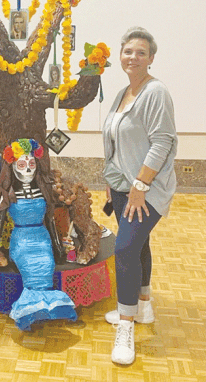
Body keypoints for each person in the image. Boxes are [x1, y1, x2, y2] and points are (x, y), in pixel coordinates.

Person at [102, 27, 177, 365]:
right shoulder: (122, 93)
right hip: (121, 187)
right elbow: (117, 141)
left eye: (141, 52)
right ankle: (143, 305)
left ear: (151, 58)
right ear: (121, 55)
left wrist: (140, 186)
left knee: (125, 248)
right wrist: (111, 178)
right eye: (128, 51)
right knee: (139, 243)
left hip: (144, 190)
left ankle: (126, 325)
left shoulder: (155, 92)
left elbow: (163, 142)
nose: (133, 57)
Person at [0, 139, 77, 330]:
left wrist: (57, 245)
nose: (28, 169)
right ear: (13, 166)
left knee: (47, 263)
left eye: (31, 164)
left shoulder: (43, 191)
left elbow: (51, 220)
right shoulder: (8, 194)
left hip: (42, 238)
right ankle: (33, 307)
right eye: (22, 164)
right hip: (21, 239)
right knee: (30, 266)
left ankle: (43, 306)